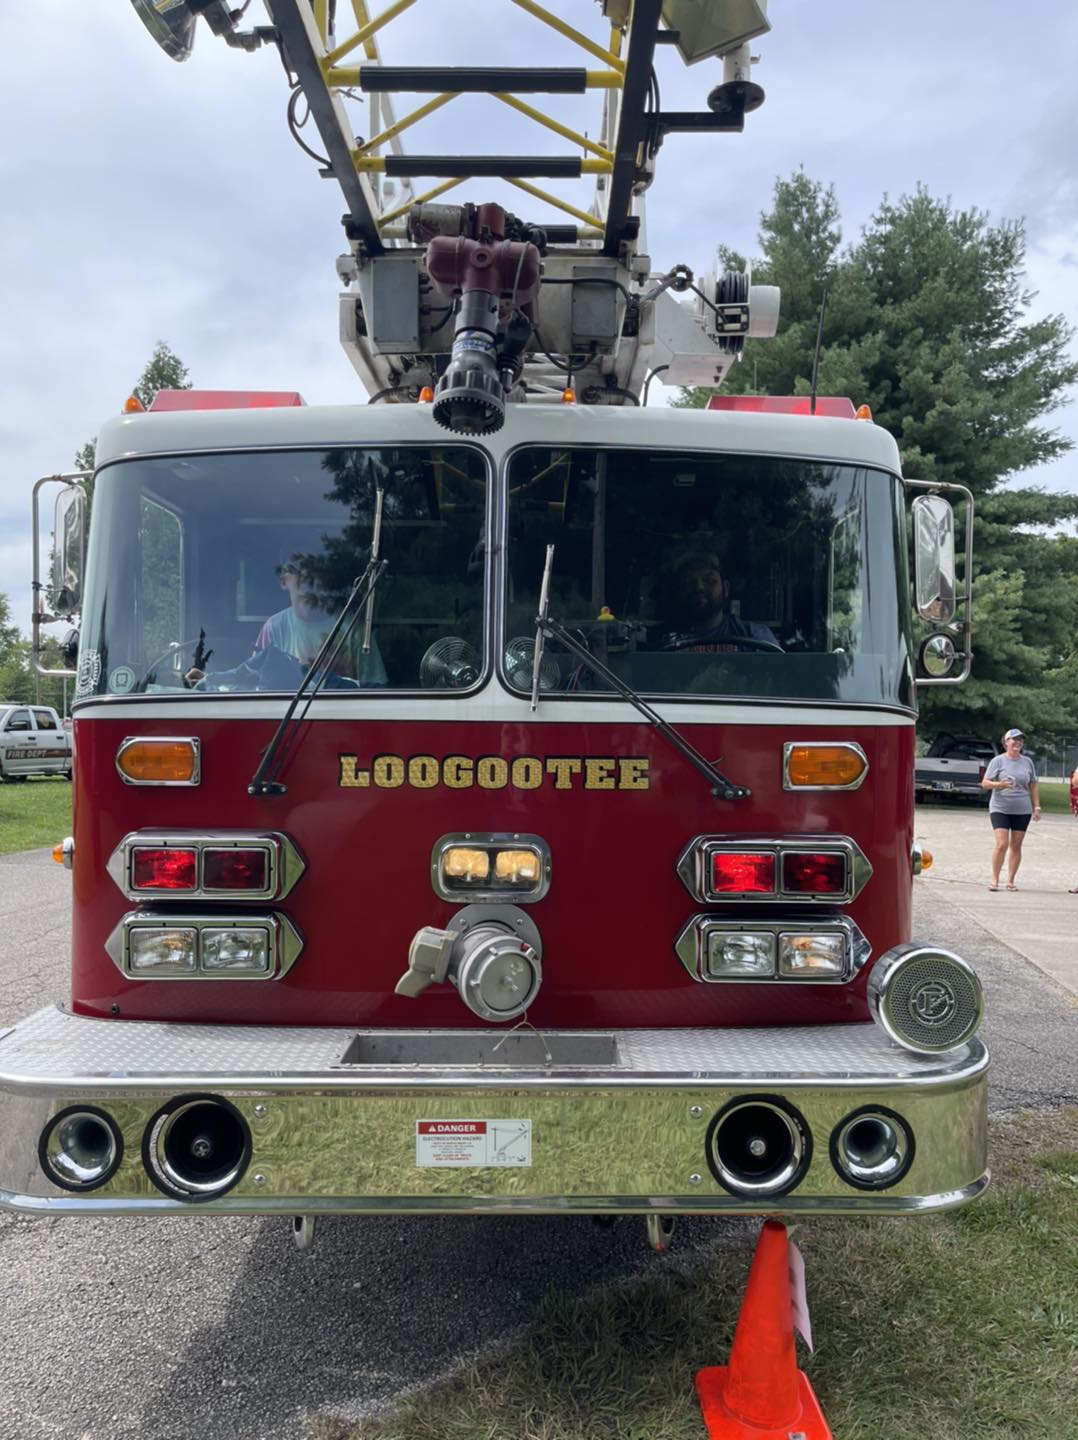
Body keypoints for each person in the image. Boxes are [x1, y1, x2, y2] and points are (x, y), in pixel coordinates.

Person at [188, 559, 387, 690]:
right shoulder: (274, 627)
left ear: (328, 579)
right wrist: (211, 680)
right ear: (284, 581)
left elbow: (378, 693)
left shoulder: (353, 629)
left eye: (317, 572)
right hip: (284, 722)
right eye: (299, 572)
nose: (309, 581)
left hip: (340, 719)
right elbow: (253, 680)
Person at [657, 550, 779, 652]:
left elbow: (778, 677)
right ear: (679, 591)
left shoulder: (755, 636)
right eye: (689, 582)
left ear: (725, 588)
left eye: (710, 581)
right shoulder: (662, 639)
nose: (699, 587)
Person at [981, 727, 1040, 891]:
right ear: (1006, 742)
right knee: (1001, 844)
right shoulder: (998, 761)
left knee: (1016, 845)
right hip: (1000, 807)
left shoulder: (1027, 762)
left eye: (1020, 740)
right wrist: (1000, 784)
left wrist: (1037, 807)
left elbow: (1033, 785)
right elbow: (985, 783)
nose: (1017, 742)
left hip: (1022, 809)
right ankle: (994, 879)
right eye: (1014, 739)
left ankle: (1010, 880)